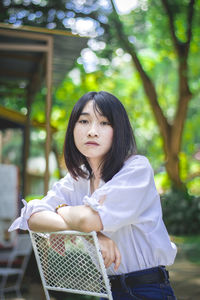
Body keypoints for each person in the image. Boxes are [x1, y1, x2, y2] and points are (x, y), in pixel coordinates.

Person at [9, 91, 177, 299]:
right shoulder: (77, 179)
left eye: (104, 123)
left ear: (119, 130)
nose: (92, 131)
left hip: (145, 289)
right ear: (73, 128)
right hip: (105, 289)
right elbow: (32, 216)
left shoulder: (136, 169)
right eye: (84, 121)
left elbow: (88, 220)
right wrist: (95, 234)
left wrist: (63, 211)